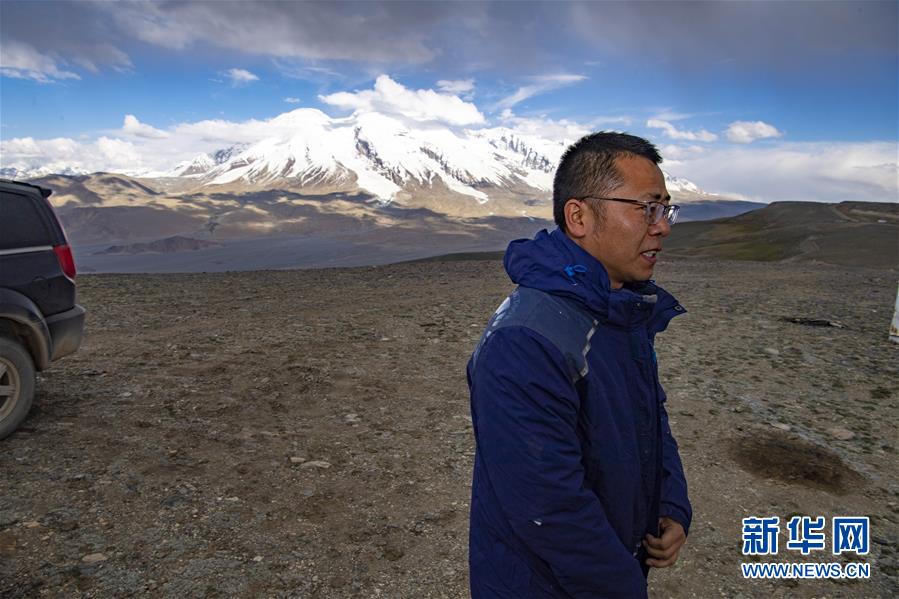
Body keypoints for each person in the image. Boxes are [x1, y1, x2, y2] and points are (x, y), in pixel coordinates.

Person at [467, 132, 692, 598]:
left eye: (666, 209)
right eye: (647, 208)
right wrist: (625, 587)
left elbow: (649, 416)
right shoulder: (526, 340)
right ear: (579, 217)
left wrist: (670, 501)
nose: (663, 227)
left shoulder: (618, 309)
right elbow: (549, 509)